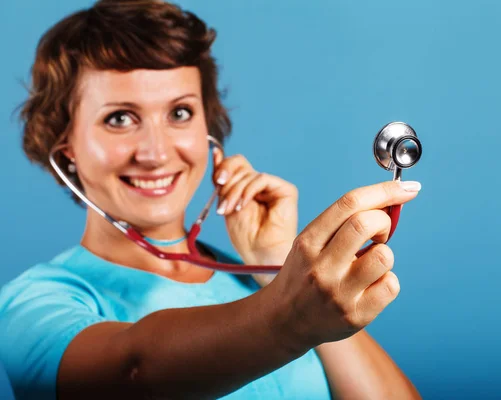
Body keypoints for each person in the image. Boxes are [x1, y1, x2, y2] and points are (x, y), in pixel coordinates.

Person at [0, 0, 423, 399]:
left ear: (209, 125)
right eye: (119, 118)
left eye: (179, 112)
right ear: (66, 145)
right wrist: (290, 315)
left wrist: (276, 261)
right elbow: (136, 372)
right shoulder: (34, 303)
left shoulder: (271, 284)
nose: (156, 152)